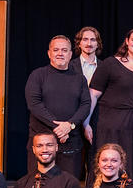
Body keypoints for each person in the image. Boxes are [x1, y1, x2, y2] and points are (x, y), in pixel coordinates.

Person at [88, 28, 133, 186]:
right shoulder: (111, 64)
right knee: (110, 163)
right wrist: (86, 123)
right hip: (111, 125)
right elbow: (93, 95)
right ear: (127, 41)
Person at [26, 35, 90, 179]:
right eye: (56, 50)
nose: (60, 53)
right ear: (49, 53)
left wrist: (70, 125)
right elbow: (34, 104)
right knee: (38, 185)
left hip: (70, 141)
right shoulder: (38, 75)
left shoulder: (79, 79)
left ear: (70, 54)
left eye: (64, 50)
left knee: (69, 185)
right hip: (43, 143)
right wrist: (59, 128)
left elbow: (85, 105)